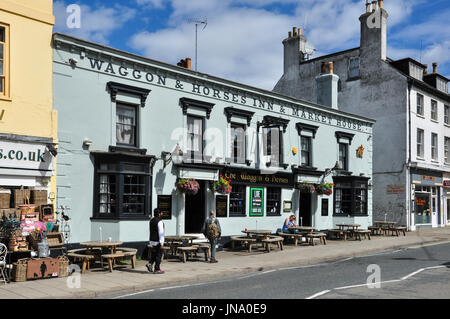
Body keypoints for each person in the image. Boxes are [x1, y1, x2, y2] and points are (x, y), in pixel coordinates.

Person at [146, 208, 165, 274]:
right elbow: (161, 233)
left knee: (154, 254)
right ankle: (157, 269)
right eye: (161, 213)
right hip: (158, 241)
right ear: (159, 214)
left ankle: (150, 264)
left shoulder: (151, 220)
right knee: (158, 255)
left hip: (152, 240)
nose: (162, 214)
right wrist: (162, 243)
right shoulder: (160, 221)